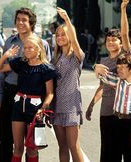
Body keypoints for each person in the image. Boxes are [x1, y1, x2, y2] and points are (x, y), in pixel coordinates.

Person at [0, 7, 52, 162]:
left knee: (32, 144)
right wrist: (0, 99)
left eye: (24, 20)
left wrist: (47, 106)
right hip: (10, 93)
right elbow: (1, 72)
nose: (20, 22)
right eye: (18, 19)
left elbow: (48, 74)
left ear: (31, 23)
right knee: (6, 139)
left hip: (34, 96)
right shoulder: (9, 41)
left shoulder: (42, 43)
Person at [85, 0, 131, 161]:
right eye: (108, 40)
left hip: (122, 113)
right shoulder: (103, 61)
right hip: (106, 111)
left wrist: (123, 9)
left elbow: (125, 33)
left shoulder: (125, 55)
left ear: (120, 43)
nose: (111, 42)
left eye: (114, 39)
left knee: (122, 150)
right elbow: (102, 86)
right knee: (107, 152)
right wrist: (91, 105)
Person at [97, 53, 131, 162]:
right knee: (113, 155)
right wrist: (96, 67)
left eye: (122, 67)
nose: (119, 70)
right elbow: (101, 75)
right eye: (118, 67)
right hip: (115, 121)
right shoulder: (118, 80)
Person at [51, 7, 85, 162]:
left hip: (72, 107)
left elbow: (76, 42)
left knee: (74, 146)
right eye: (57, 35)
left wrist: (67, 20)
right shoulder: (54, 58)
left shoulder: (77, 56)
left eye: (63, 34)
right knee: (62, 147)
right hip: (57, 107)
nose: (60, 37)